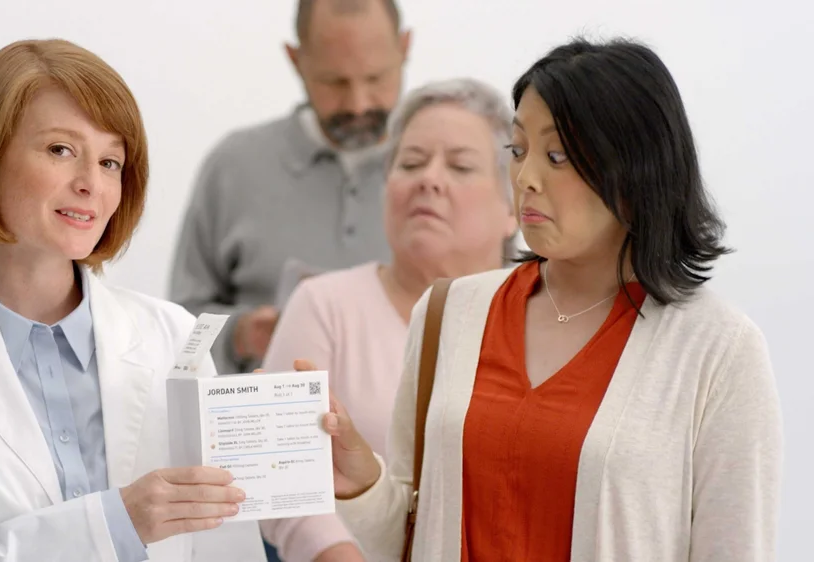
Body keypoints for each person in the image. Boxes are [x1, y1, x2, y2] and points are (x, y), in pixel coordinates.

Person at [314, 37, 784, 561]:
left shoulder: (719, 350)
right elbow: (408, 535)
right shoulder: (449, 312)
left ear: (635, 169)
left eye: (556, 156)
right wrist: (361, 479)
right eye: (518, 151)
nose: (525, 179)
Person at [0, 39, 262, 562]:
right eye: (60, 150)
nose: (91, 183)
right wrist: (114, 524)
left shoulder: (173, 335)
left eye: (111, 161)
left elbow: (227, 545)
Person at [259, 78, 518, 562]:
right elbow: (281, 479)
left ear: (514, 208)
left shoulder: (548, 320)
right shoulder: (324, 304)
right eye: (411, 163)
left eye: (460, 166)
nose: (429, 179)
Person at [168, 0, 411, 376]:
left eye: (377, 78)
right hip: (262, 424)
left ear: (405, 49)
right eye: (335, 82)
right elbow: (173, 329)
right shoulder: (234, 166)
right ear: (296, 61)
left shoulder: (452, 174)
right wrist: (240, 336)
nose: (359, 104)